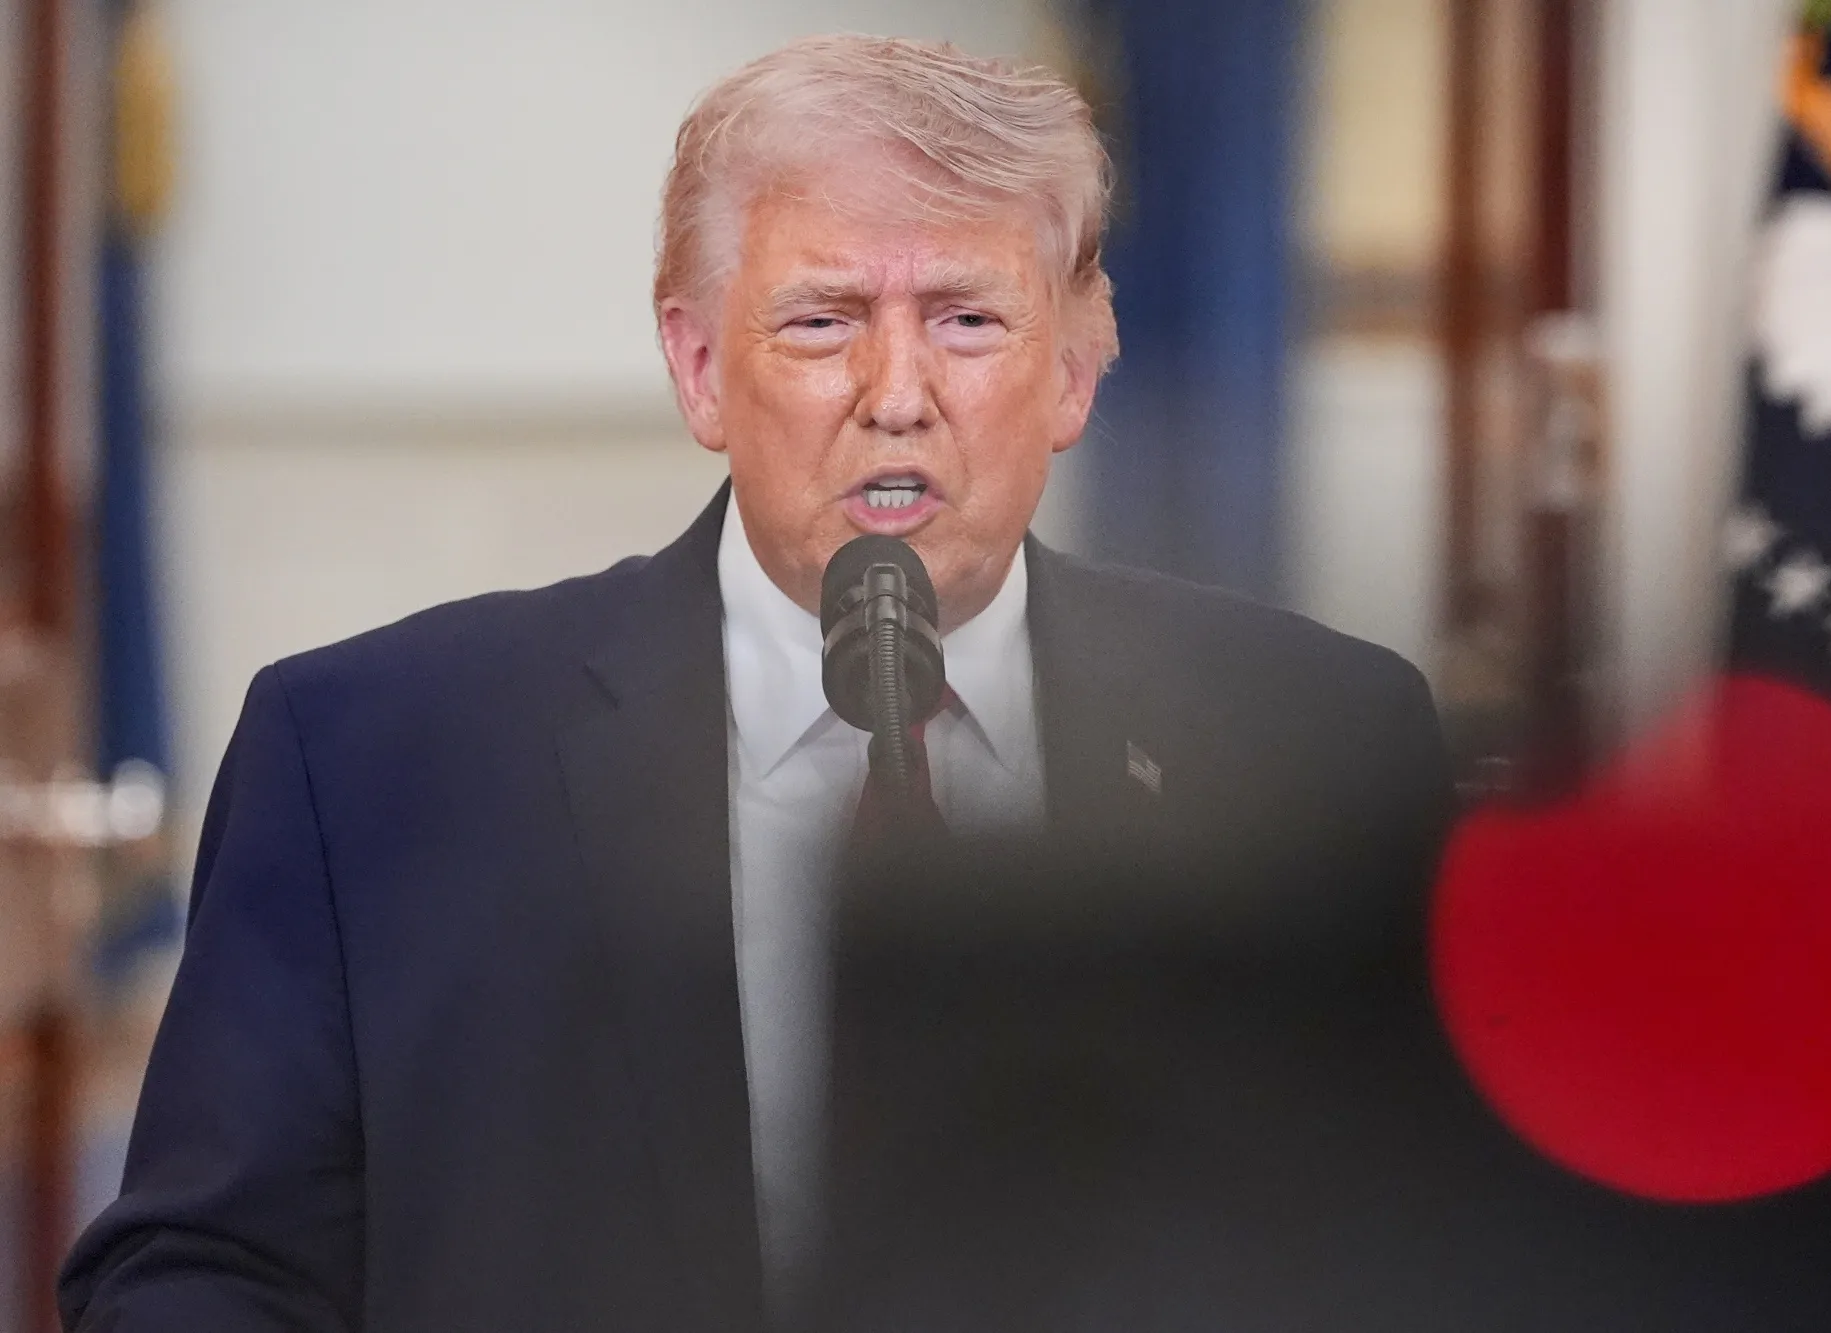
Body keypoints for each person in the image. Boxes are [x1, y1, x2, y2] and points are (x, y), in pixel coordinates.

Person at [59, 35, 1452, 1332]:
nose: (896, 392)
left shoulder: (1315, 743)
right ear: (701, 367)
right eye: (822, 322)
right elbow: (198, 1273)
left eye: (968, 321)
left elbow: (1426, 1250)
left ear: (1076, 377)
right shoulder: (371, 761)